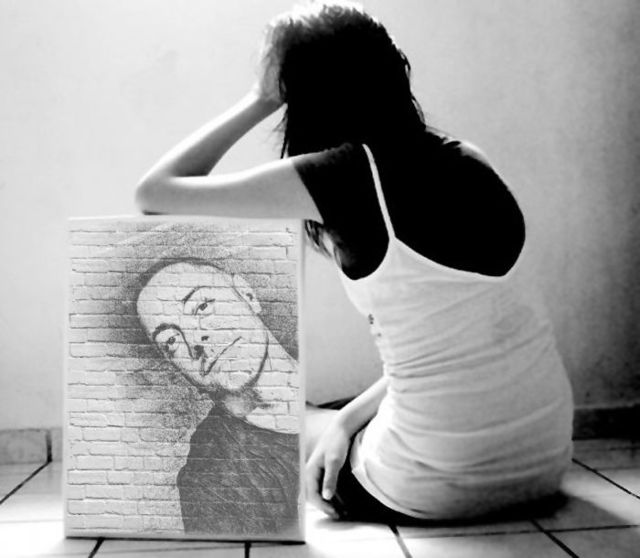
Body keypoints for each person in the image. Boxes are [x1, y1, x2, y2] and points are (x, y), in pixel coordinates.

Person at [135, 1, 574, 524]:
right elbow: (454, 352)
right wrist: (346, 422)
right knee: (336, 415)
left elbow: (155, 193)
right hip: (544, 461)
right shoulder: (468, 158)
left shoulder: (339, 175)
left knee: (291, 417)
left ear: (301, 90)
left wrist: (260, 99)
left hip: (430, 488)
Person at [135, 259, 300, 534]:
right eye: (171, 341)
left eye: (201, 307)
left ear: (247, 295)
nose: (195, 340)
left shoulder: (325, 370)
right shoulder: (211, 477)